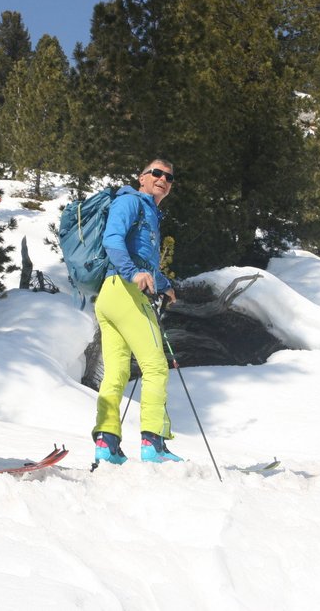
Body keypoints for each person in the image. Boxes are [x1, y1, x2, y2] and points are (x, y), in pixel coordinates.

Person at [92, 159, 180, 465]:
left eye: (168, 176)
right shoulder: (130, 201)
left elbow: (146, 262)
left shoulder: (151, 213)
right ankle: (153, 444)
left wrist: (164, 284)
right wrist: (132, 273)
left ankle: (107, 444)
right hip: (125, 292)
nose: (163, 179)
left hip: (112, 296)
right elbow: (112, 239)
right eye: (156, 173)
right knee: (155, 367)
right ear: (142, 178)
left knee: (116, 372)